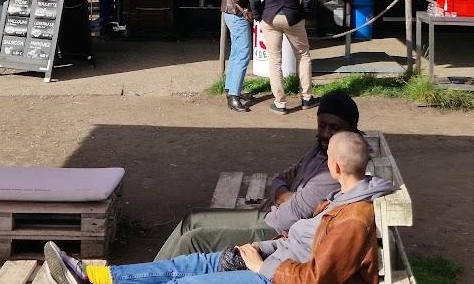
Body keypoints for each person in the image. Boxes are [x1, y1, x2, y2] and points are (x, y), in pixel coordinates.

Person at [46, 131, 391, 284]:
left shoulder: (353, 219)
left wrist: (261, 264)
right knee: (185, 264)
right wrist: (260, 251)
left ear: (334, 166)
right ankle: (93, 275)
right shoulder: (343, 200)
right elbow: (299, 244)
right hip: (274, 269)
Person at [155, 92, 361, 259]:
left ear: (351, 129)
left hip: (276, 231)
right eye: (322, 125)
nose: (325, 133)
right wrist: (285, 192)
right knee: (191, 220)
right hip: (270, 213)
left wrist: (285, 193)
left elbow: (294, 213)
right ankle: (144, 276)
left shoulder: (338, 165)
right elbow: (281, 178)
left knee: (193, 240)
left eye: (334, 127)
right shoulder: (320, 148)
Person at [251, 0, 314, 114]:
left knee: (274, 60)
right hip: (294, 16)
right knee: (303, 55)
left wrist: (257, 16)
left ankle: (280, 103)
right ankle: (307, 98)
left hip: (270, 18)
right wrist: (304, 12)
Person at [221, 0, 255, 113]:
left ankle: (232, 88)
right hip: (236, 15)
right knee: (243, 53)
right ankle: (233, 96)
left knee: (236, 53)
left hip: (230, 14)